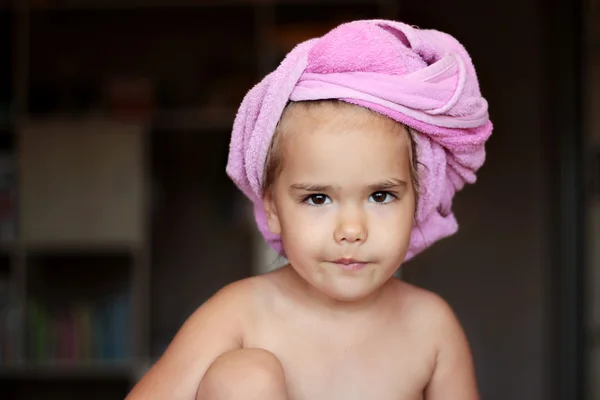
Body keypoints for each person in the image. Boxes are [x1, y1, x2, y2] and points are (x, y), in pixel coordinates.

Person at [126, 19, 493, 400]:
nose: (351, 229)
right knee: (246, 377)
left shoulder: (431, 327)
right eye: (318, 198)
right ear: (272, 209)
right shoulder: (239, 313)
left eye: (381, 195)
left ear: (418, 199)